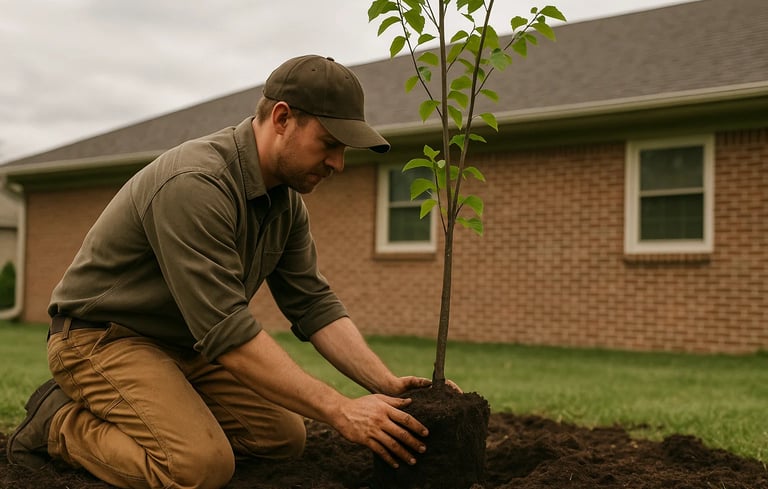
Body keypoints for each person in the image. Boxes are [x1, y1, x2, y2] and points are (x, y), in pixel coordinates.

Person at [6, 55, 433, 489]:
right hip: (101, 338)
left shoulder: (285, 205)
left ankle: (162, 414)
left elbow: (313, 304)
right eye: (329, 143)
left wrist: (387, 384)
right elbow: (226, 331)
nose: (338, 163)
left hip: (183, 347)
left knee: (283, 439)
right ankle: (60, 424)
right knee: (198, 467)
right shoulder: (195, 183)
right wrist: (340, 408)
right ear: (282, 118)